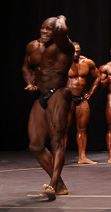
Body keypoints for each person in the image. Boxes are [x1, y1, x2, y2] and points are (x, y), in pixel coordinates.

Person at [22, 15, 75, 200]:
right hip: (41, 95)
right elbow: (26, 66)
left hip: (59, 92)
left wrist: (61, 18)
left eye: (49, 29)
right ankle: (59, 186)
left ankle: (52, 184)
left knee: (56, 141)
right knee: (35, 145)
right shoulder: (32, 46)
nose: (45, 31)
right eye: (43, 28)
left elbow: (62, 30)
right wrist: (30, 83)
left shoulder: (65, 47)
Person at [66, 42, 102, 164]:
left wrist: (91, 92)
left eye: (77, 51)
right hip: (68, 99)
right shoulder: (63, 62)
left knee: (82, 129)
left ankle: (82, 157)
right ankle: (60, 157)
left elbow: (98, 76)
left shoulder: (87, 62)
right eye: (73, 51)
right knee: (63, 130)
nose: (75, 54)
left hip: (81, 99)